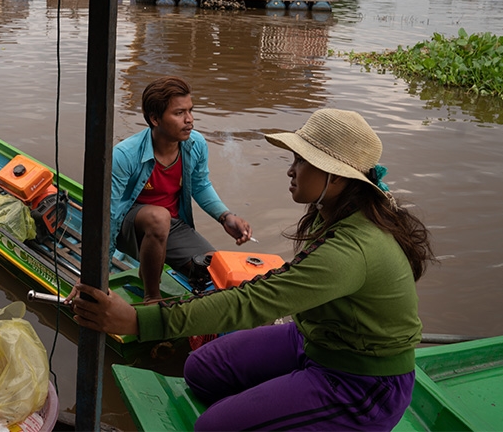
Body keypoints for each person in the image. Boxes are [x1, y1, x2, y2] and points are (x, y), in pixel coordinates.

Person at [71, 109, 435, 431]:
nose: (291, 170)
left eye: (301, 162)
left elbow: (253, 301)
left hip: (361, 379)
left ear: (335, 178)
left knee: (212, 426)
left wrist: (137, 320)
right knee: (200, 370)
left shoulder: (353, 249)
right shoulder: (339, 215)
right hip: (314, 338)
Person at [110, 76, 251, 302]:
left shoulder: (195, 144)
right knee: (159, 217)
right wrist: (94, 276)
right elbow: (110, 215)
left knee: (216, 270)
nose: (190, 120)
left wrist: (225, 216)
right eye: (179, 113)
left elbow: (201, 184)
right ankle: (152, 296)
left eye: (190, 111)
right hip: (128, 227)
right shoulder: (125, 155)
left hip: (171, 226)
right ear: (155, 119)